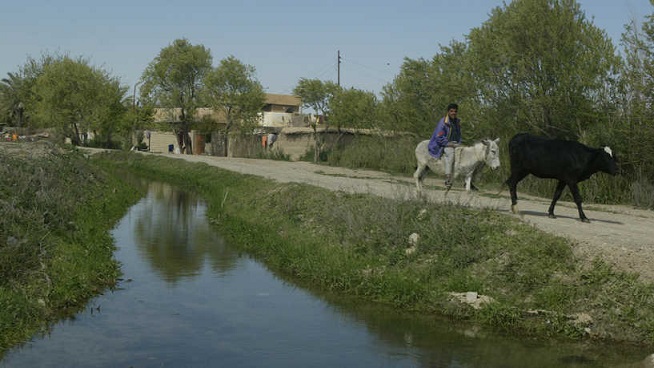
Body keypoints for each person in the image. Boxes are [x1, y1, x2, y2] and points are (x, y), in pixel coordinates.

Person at [427, 103, 462, 189]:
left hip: (455, 143)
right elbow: (439, 136)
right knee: (450, 154)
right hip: (445, 144)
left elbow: (459, 135)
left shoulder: (457, 122)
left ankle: (467, 179)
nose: (453, 113)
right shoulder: (443, 122)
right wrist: (449, 143)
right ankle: (448, 178)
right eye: (451, 111)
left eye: (455, 111)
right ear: (448, 112)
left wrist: (459, 143)